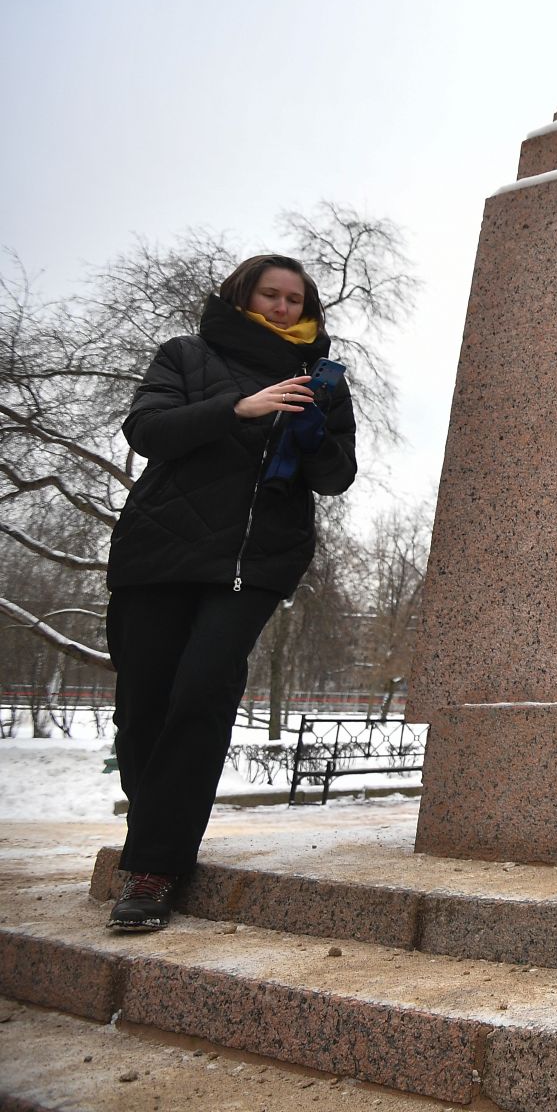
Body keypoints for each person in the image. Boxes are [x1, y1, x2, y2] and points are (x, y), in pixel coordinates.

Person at [104, 254, 357, 932]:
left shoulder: (322, 380)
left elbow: (338, 479)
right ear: (241, 295)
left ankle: (154, 870)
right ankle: (157, 832)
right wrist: (238, 408)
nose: (282, 308)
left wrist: (311, 441)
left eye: (295, 300)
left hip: (255, 562)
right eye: (270, 295)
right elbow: (147, 430)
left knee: (202, 691)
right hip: (158, 553)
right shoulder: (186, 355)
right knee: (144, 707)